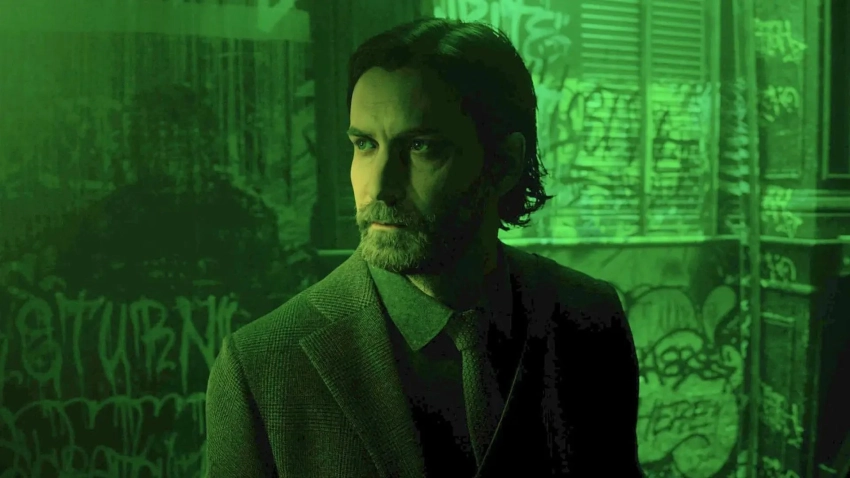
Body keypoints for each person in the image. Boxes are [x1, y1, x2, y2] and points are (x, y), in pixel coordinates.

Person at [205, 17, 643, 478]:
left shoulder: (587, 317)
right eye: (364, 144)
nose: (380, 186)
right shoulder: (262, 367)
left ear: (504, 163)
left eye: (420, 147)